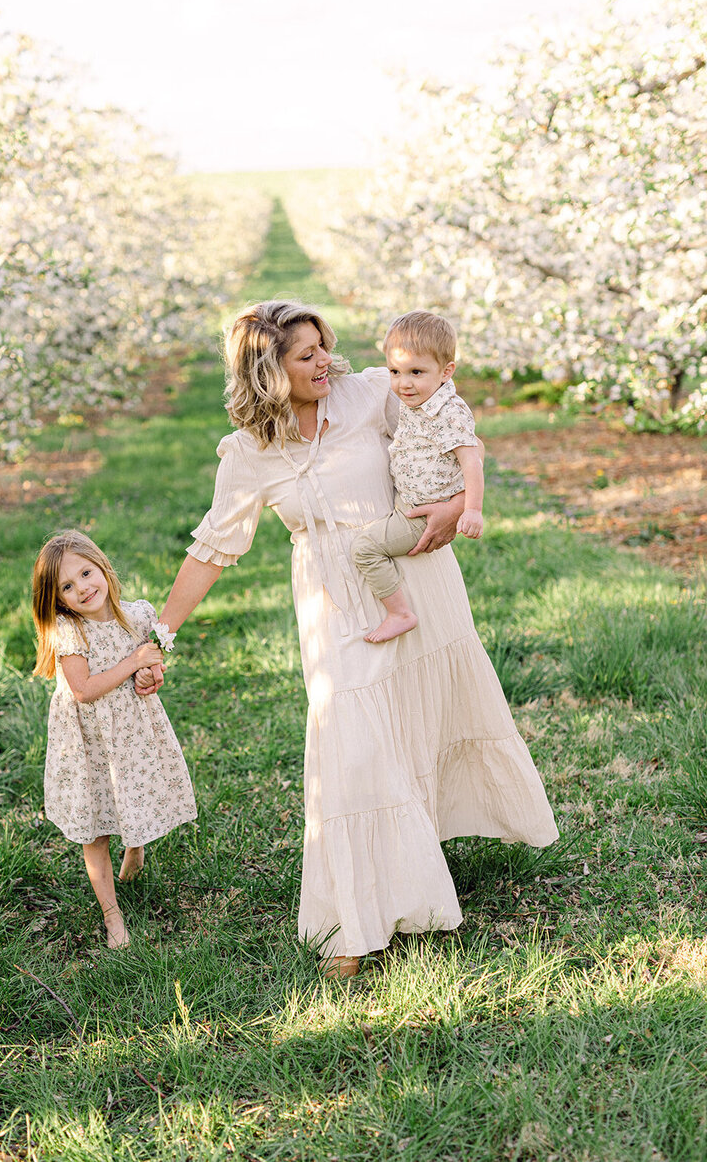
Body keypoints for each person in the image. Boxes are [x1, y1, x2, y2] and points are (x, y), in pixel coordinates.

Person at [139, 300, 557, 978]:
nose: (325, 360)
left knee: (412, 720)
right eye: (306, 355)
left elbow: (449, 431)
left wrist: (456, 506)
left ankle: (412, 862)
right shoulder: (249, 453)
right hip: (333, 603)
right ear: (267, 371)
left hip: (415, 578)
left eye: (324, 345)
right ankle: (355, 922)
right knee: (351, 741)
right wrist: (163, 632)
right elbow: (214, 547)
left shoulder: (366, 392)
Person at [32, 529, 196, 949]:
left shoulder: (139, 616)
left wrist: (149, 673)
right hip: (89, 744)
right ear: (57, 599)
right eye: (67, 586)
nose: (83, 588)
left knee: (132, 794)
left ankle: (135, 848)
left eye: (86, 573)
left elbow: (153, 669)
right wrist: (133, 663)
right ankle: (112, 916)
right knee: (96, 825)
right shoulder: (69, 631)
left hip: (131, 737)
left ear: (102, 567)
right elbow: (83, 689)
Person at [352, 310, 484, 644]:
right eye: (395, 371)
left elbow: (473, 461)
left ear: (446, 372)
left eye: (415, 372)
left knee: (365, 548)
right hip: (411, 497)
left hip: (421, 513)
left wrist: (470, 510)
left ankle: (400, 613)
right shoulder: (419, 400)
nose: (403, 383)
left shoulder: (448, 412)